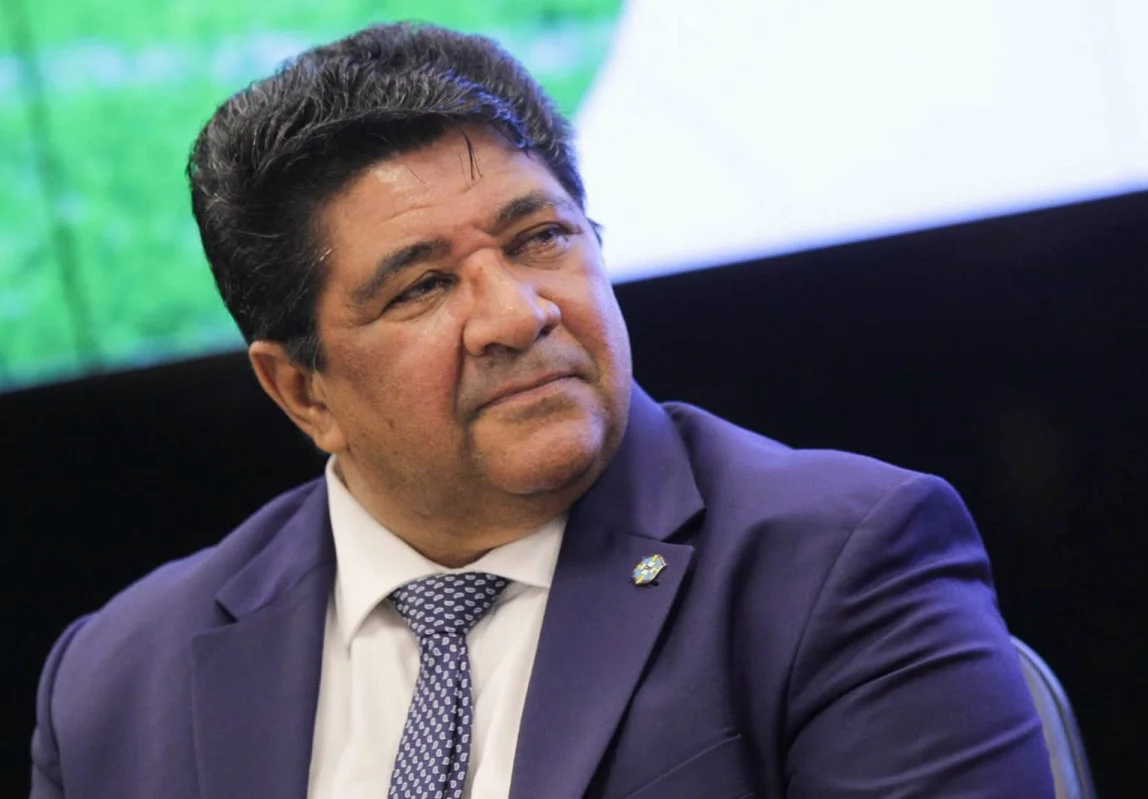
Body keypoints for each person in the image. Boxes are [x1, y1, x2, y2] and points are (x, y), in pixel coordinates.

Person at [29, 22, 1055, 799]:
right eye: (423, 286)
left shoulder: (838, 562)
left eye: (540, 239)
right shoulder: (116, 682)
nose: (516, 315)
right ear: (303, 389)